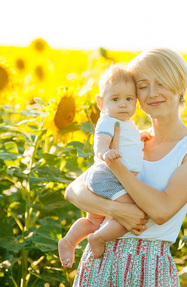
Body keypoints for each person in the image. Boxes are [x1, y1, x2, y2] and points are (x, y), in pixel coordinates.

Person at [64, 48, 187, 287]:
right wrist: (116, 210)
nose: (152, 93)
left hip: (148, 267)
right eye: (143, 86)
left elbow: (161, 210)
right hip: (100, 260)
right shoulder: (133, 138)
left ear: (181, 86)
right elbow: (75, 191)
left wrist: (117, 166)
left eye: (162, 83)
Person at [58, 64, 144, 268]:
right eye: (115, 99)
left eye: (129, 99)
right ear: (101, 103)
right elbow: (100, 141)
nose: (123, 104)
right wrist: (105, 153)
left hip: (107, 178)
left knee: (94, 220)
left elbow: (127, 142)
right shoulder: (108, 121)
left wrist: (141, 138)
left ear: (136, 102)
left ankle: (69, 241)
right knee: (131, 214)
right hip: (108, 176)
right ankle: (98, 238)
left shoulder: (127, 124)